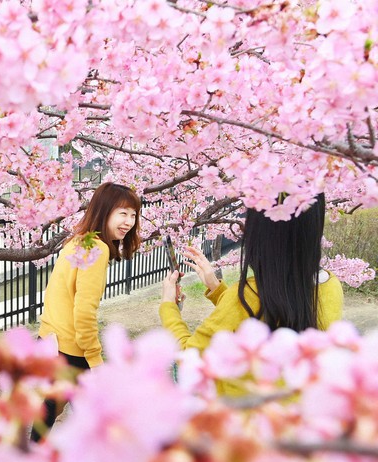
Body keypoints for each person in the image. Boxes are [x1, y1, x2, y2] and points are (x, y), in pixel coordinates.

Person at [159, 194, 343, 394]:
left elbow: (190, 360)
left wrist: (168, 307)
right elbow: (267, 308)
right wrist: (217, 289)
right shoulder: (331, 285)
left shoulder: (246, 296)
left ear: (261, 234)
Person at [32, 182, 142, 441]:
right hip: (71, 351)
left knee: (48, 415)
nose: (128, 221)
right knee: (89, 420)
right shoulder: (98, 248)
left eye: (133, 215)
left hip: (50, 341)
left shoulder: (78, 241)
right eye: (122, 213)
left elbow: (56, 294)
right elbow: (84, 310)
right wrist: (94, 357)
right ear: (104, 211)